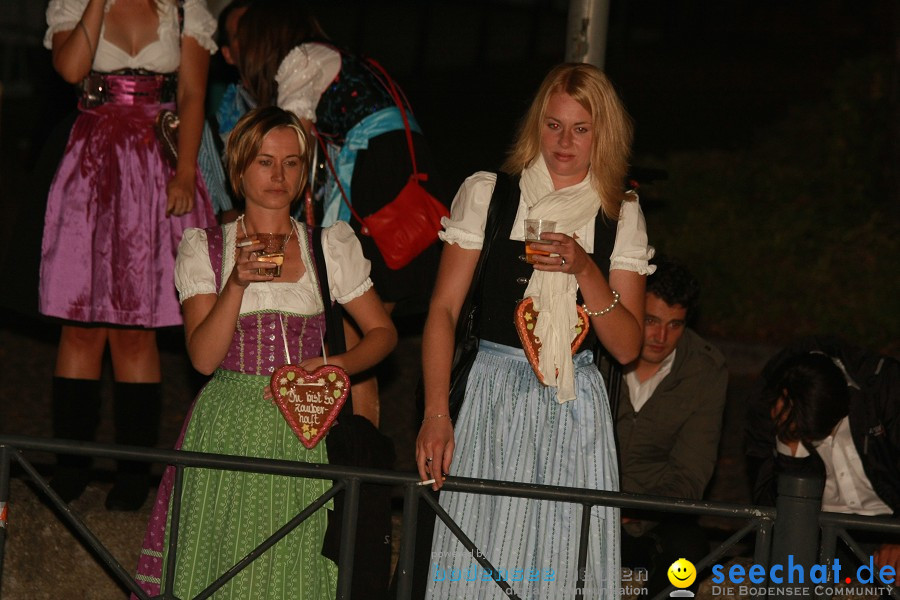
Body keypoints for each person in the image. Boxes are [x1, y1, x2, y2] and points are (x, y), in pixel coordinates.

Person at [132, 106, 397, 598]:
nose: (279, 175)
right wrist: (236, 283)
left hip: (308, 425)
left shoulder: (328, 246)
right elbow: (204, 360)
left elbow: (382, 333)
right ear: (238, 169)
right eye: (265, 161)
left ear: (304, 175)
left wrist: (333, 365)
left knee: (296, 565)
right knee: (223, 564)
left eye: (292, 163)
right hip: (228, 425)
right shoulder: (206, 248)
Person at [415, 63, 654, 599]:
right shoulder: (490, 195)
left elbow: (626, 345)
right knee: (476, 565)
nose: (564, 142)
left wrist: (586, 270)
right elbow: (443, 312)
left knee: (561, 565)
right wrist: (436, 414)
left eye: (581, 128)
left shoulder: (620, 214)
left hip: (574, 409)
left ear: (603, 134)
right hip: (490, 399)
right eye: (553, 125)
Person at [236, 0, 449, 427]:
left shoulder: (303, 57)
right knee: (361, 325)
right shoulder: (344, 58)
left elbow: (292, 141)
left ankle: (358, 438)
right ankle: (357, 433)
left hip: (375, 184)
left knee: (353, 328)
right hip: (399, 180)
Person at [41, 0, 218, 510]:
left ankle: (133, 476)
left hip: (154, 165)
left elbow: (192, 92)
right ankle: (69, 468)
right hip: (91, 163)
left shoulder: (185, 8)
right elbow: (71, 69)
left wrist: (185, 171)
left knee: (135, 330)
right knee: (79, 323)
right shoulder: (75, 4)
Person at [614, 258, 728, 596]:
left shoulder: (705, 370)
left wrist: (635, 509)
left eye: (675, 325)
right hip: (584, 510)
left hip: (657, 519)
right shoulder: (598, 348)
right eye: (651, 320)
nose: (661, 336)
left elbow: (691, 474)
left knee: (687, 555)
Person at [745, 336, 900, 577]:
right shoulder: (767, 403)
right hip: (818, 528)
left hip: (888, 519)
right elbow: (768, 509)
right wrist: (788, 444)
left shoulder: (884, 385)